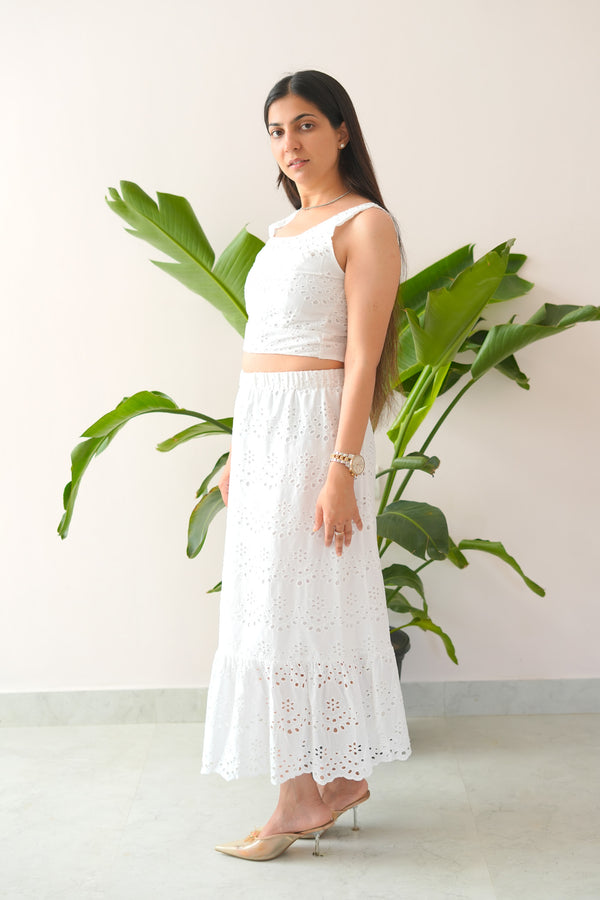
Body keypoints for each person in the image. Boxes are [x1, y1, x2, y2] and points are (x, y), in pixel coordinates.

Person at [200, 70, 411, 861]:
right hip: (264, 434)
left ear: (343, 131)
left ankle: (309, 792)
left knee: (298, 606)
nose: (290, 145)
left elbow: (361, 361)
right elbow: (262, 350)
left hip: (314, 436)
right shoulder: (284, 230)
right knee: (264, 607)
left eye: (306, 126)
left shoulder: (365, 225)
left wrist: (342, 468)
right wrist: (236, 448)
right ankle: (322, 784)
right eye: (277, 132)